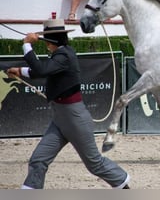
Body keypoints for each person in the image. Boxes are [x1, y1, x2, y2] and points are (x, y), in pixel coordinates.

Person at [6, 19, 130, 189]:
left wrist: (27, 46)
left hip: (74, 118)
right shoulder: (62, 54)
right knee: (38, 160)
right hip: (61, 119)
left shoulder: (64, 55)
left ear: (51, 41)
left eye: (46, 39)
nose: (45, 43)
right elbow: (44, 70)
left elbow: (42, 70)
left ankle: (125, 188)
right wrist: (19, 71)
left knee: (95, 164)